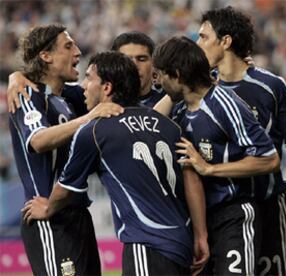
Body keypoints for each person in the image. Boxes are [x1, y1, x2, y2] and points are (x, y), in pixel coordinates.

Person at [22, 51, 209, 275]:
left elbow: (66, 190)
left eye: (89, 77)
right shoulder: (169, 126)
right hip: (183, 243)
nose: (83, 85)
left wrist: (47, 208)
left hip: (147, 243)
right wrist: (201, 235)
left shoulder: (95, 130)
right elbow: (191, 179)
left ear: (107, 87)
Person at [196, 6, 286, 275]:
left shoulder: (270, 86)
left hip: (268, 205)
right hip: (219, 210)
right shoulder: (200, 88)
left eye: (203, 37)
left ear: (226, 41)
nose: (198, 45)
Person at [153, 36, 281, 275]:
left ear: (178, 74)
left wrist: (211, 169)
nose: (158, 83)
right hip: (201, 219)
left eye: (161, 75)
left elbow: (269, 158)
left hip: (234, 215)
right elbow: (150, 123)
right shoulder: (180, 109)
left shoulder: (224, 104)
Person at [8, 24, 122, 275]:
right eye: (68, 46)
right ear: (45, 56)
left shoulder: (66, 97)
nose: (78, 52)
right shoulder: (28, 94)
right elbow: (38, 140)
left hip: (77, 215)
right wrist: (90, 116)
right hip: (48, 218)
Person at [8, 31, 164, 112]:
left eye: (142, 59)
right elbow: (47, 81)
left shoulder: (168, 101)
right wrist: (17, 77)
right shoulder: (86, 94)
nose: (134, 65)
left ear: (154, 65)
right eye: (127, 59)